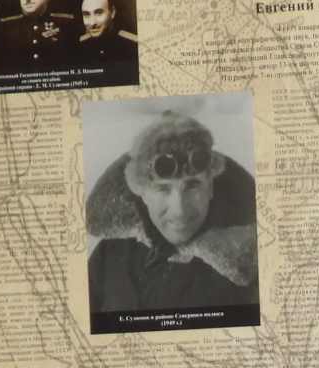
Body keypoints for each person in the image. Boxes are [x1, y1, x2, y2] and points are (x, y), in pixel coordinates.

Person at [87, 111, 259, 319]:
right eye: (163, 188)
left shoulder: (251, 266)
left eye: (192, 185)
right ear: (141, 192)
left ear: (210, 188)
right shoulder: (110, 255)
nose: (179, 209)